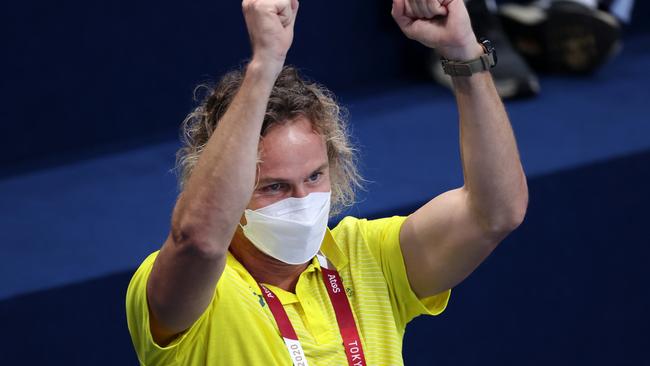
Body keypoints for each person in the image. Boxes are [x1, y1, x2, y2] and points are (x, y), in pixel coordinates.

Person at [126, 0, 529, 364]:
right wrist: (264, 66)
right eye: (274, 187)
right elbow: (198, 239)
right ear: (228, 189)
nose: (302, 199)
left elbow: (495, 212)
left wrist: (462, 53)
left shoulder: (366, 256)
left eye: (314, 176)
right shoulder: (195, 294)